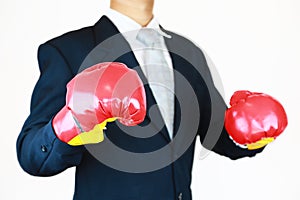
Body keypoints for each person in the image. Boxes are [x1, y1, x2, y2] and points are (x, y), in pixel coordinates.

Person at [17, 0, 269, 199]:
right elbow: (31, 154)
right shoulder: (69, 50)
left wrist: (250, 128)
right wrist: (71, 122)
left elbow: (217, 134)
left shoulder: (188, 53)